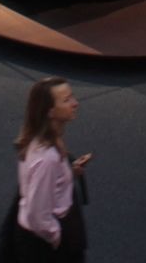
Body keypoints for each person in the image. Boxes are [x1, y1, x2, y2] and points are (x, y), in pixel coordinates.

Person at [8, 76, 89, 261]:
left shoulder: (44, 138)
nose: (75, 103)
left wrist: (70, 171)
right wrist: (56, 237)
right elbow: (37, 215)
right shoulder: (48, 159)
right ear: (50, 111)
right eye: (67, 100)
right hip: (45, 243)